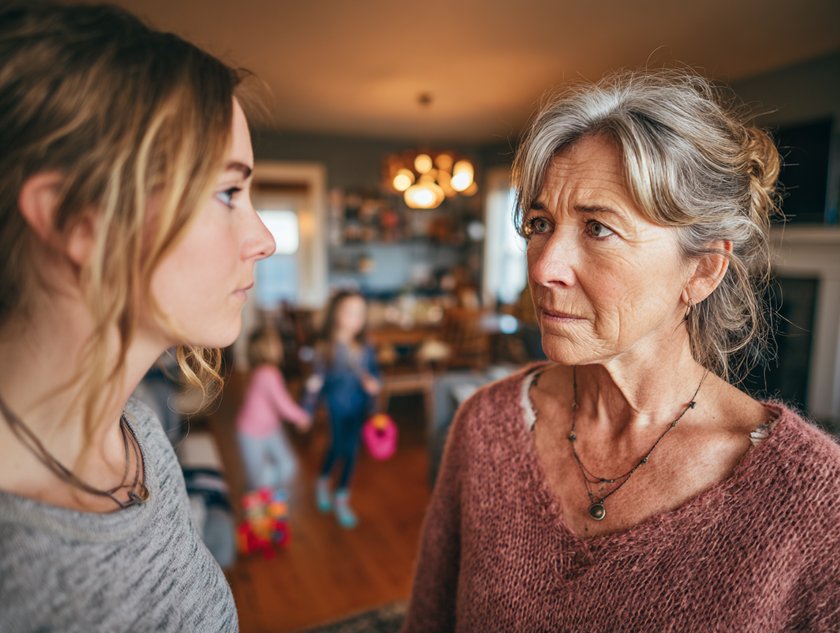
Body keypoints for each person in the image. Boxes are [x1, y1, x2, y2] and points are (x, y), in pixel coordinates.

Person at [402, 69, 840, 631]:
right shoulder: (486, 425)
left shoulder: (815, 504)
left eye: (598, 229)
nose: (542, 267)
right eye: (540, 222)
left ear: (703, 269)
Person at [0, 3, 275, 632]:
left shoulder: (140, 437)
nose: (263, 238)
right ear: (75, 219)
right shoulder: (16, 567)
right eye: (228, 193)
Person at [305, 290, 380, 529]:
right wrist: (307, 409)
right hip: (336, 406)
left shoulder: (365, 346)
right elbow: (314, 384)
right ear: (336, 314)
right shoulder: (325, 348)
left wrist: (374, 384)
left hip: (359, 405)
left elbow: (375, 373)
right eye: (350, 312)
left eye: (360, 313)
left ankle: (341, 496)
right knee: (338, 447)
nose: (356, 318)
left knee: (352, 451)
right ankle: (323, 480)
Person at [236, 326, 311, 492]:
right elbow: (282, 403)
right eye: (277, 344)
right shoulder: (268, 373)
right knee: (259, 477)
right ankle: (261, 498)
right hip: (251, 433)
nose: (281, 347)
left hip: (270, 428)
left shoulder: (264, 371)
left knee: (287, 465)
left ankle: (267, 493)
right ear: (269, 348)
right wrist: (301, 417)